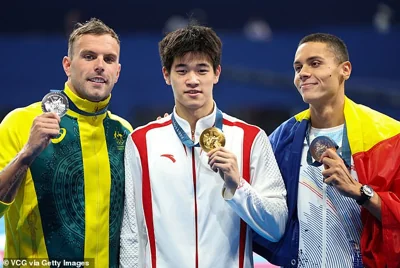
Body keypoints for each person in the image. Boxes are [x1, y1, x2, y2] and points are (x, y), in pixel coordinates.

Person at [119, 25, 288, 268]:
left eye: (202, 70)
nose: (193, 80)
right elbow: (132, 232)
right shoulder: (142, 142)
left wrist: (238, 187)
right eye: (182, 70)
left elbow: (277, 226)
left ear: (217, 73)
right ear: (166, 75)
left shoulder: (251, 138)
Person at [253, 33, 400, 267]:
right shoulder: (282, 138)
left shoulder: (389, 136)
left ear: (345, 70)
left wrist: (361, 193)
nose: (303, 73)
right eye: (298, 67)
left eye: (315, 63)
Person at [0, 18, 133, 267]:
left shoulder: (124, 133)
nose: (99, 66)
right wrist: (27, 154)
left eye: (109, 59)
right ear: (67, 65)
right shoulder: (21, 122)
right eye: (89, 56)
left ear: (118, 71)